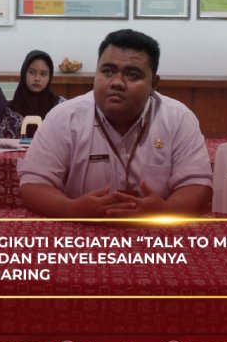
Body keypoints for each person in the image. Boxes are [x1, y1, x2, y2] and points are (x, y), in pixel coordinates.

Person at [17, 29, 212, 217]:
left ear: (154, 83)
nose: (117, 82)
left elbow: (197, 185)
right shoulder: (64, 117)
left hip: (155, 233)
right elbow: (33, 183)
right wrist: (71, 209)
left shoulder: (178, 119)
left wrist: (166, 211)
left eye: (132, 75)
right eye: (108, 71)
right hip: (80, 231)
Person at [8, 50, 65, 122]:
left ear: (50, 77)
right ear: (24, 73)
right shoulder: (9, 111)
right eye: (32, 72)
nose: (37, 78)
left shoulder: (61, 107)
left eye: (43, 74)